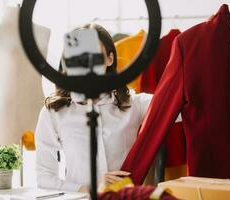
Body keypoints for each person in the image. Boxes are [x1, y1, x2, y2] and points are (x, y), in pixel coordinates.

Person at [35, 24, 152, 192]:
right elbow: (44, 177)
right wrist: (89, 190)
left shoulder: (135, 104)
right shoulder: (54, 112)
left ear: (109, 58)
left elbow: (178, 104)